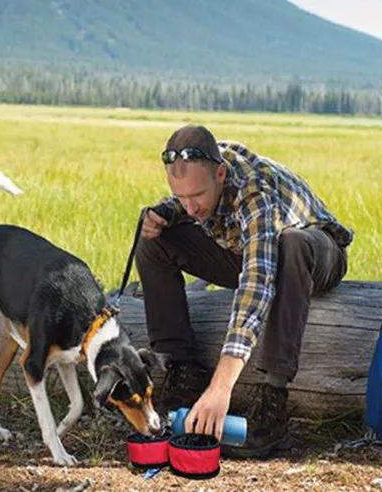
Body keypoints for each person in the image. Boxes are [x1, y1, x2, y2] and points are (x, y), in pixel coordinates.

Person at [135, 124, 353, 458]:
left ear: (221, 173)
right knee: (153, 240)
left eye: (197, 197)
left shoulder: (255, 192)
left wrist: (222, 386)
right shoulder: (202, 171)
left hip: (316, 252)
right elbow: (189, 199)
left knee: (291, 244)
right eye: (181, 196)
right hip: (244, 249)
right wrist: (165, 212)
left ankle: (274, 403)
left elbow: (258, 281)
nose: (190, 207)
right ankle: (184, 372)